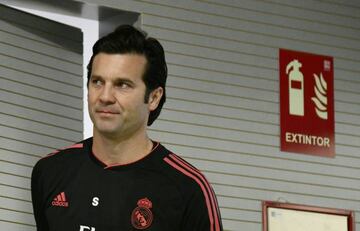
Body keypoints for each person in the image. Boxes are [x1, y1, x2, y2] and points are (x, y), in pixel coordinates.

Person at [31, 25, 223, 231]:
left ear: (154, 97)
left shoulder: (188, 188)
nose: (105, 96)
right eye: (97, 82)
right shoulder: (50, 171)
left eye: (122, 85)